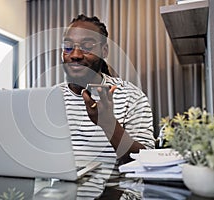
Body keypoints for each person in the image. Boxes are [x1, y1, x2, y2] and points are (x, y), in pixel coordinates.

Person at [58, 14, 155, 180]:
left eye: (87, 46)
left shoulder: (131, 96)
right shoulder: (49, 99)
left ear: (104, 51)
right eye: (68, 46)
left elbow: (147, 162)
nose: (75, 54)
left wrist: (109, 124)